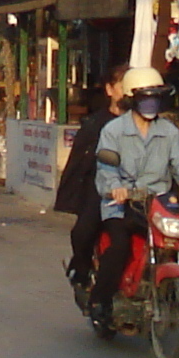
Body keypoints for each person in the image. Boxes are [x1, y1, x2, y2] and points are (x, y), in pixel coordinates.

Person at [87, 65, 179, 328]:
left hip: (157, 203)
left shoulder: (169, 131)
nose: (151, 103)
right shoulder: (113, 130)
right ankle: (101, 300)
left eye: (155, 98)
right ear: (133, 99)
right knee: (119, 245)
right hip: (121, 204)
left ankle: (164, 290)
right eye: (146, 98)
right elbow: (106, 167)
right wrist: (115, 187)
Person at [54, 81, 114, 299]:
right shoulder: (95, 123)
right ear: (110, 89)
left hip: (141, 191)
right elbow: (81, 163)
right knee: (83, 231)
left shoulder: (152, 125)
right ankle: (82, 270)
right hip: (103, 189)